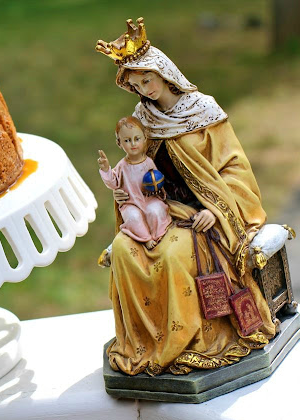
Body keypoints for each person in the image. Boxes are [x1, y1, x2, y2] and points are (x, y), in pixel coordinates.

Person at [95, 19, 275, 376]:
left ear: (164, 72)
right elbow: (135, 165)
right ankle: (147, 340)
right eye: (134, 85)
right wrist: (122, 186)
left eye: (146, 79)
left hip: (202, 214)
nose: (143, 90)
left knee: (173, 256)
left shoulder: (203, 111)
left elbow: (235, 170)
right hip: (159, 209)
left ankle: (189, 342)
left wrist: (213, 209)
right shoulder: (141, 120)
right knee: (123, 250)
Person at [98, 117, 171, 250]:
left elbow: (157, 180)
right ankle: (146, 239)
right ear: (119, 143)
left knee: (155, 210)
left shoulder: (148, 162)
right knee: (133, 217)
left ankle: (158, 235)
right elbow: (113, 182)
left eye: (137, 139)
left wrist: (158, 189)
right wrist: (106, 169)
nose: (133, 144)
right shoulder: (122, 166)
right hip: (131, 203)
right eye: (127, 140)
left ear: (145, 138)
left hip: (149, 199)